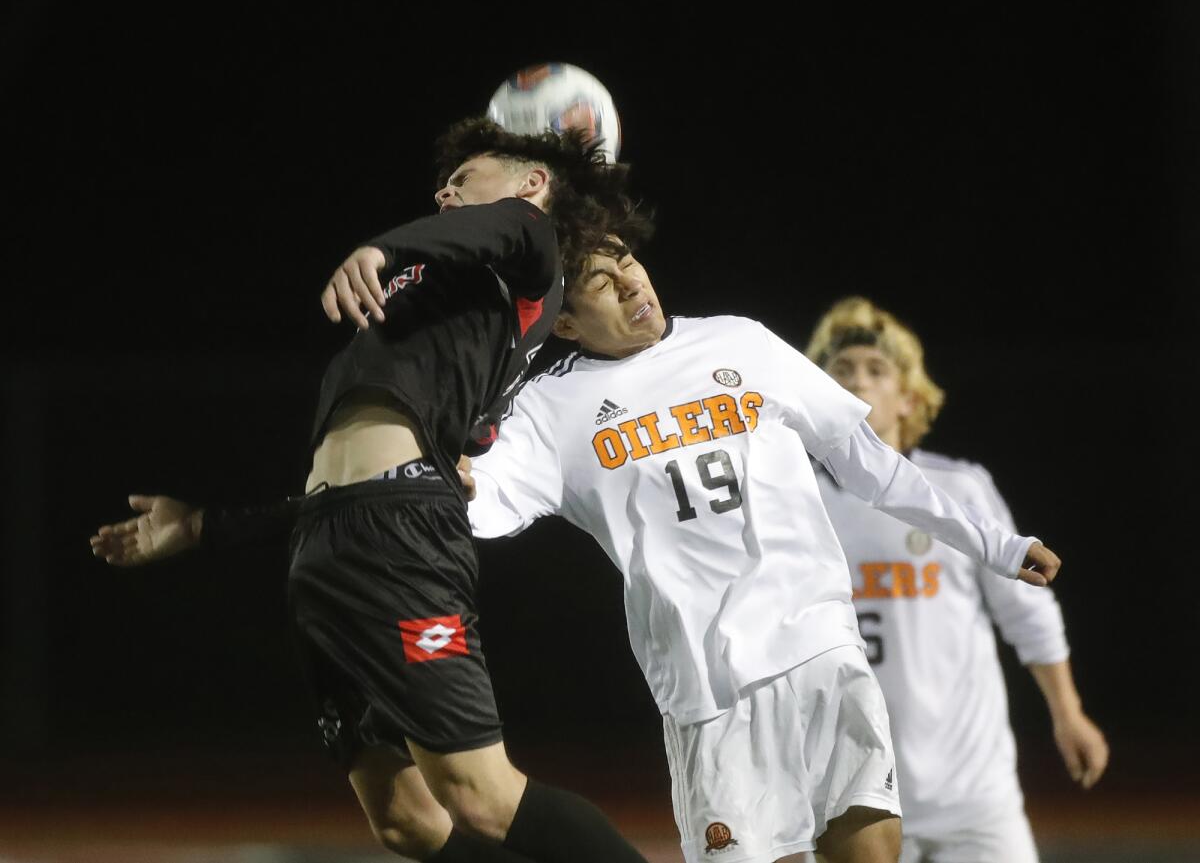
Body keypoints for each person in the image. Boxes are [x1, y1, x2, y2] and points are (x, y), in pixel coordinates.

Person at [96, 236, 1060, 863]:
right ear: (561, 317)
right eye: (597, 279)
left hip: (822, 657)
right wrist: (244, 523)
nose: (630, 279)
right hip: (711, 698)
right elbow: (432, 502)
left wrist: (997, 540)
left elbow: (875, 465)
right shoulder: (550, 411)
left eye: (628, 260)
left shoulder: (747, 344)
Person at [93, 116, 653, 863]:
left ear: (531, 185)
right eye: (443, 185)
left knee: (481, 795)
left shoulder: (525, 240)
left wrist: (381, 247)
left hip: (396, 542)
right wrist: (203, 527)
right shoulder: (446, 310)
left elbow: (488, 234)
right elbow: (346, 490)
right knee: (408, 821)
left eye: (463, 180)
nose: (444, 191)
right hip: (332, 543)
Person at [804, 297, 1108, 863]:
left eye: (876, 370)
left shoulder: (958, 491)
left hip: (973, 791)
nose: (857, 383)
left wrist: (1068, 714)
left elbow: (1028, 611)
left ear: (910, 396)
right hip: (857, 794)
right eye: (841, 372)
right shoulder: (797, 500)